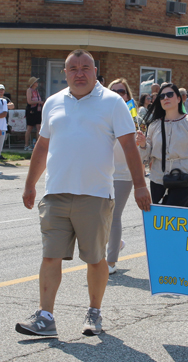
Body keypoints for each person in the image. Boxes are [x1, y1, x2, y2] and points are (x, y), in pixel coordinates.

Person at [15, 49, 150, 337]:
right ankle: (45, 317)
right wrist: (30, 184)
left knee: (95, 258)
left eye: (85, 67)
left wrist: (140, 185)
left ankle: (94, 312)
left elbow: (129, 146)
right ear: (65, 73)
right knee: (50, 256)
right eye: (73, 68)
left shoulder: (113, 103)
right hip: (56, 194)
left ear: (94, 71)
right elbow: (42, 147)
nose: (79, 73)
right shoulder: (52, 103)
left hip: (96, 194)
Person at [136, 83, 188, 207]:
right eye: (162, 96)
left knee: (175, 221)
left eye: (170, 94)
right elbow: (146, 156)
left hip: (183, 178)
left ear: (178, 99)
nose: (165, 98)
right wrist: (143, 144)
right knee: (160, 221)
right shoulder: (154, 125)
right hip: (158, 179)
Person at [106, 78, 138, 275]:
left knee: (114, 215)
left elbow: (143, 149)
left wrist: (142, 142)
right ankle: (116, 243)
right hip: (101, 173)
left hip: (123, 173)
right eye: (114, 90)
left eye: (122, 91)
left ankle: (110, 262)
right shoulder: (102, 115)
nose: (119, 94)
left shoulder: (134, 118)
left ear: (128, 96)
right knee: (100, 216)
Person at [25, 77, 43, 151]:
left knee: (38, 128)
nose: (37, 83)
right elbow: (29, 101)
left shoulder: (37, 91)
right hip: (31, 111)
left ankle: (38, 145)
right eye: (36, 82)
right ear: (33, 83)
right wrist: (39, 102)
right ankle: (26, 145)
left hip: (38, 110)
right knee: (29, 128)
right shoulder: (29, 90)